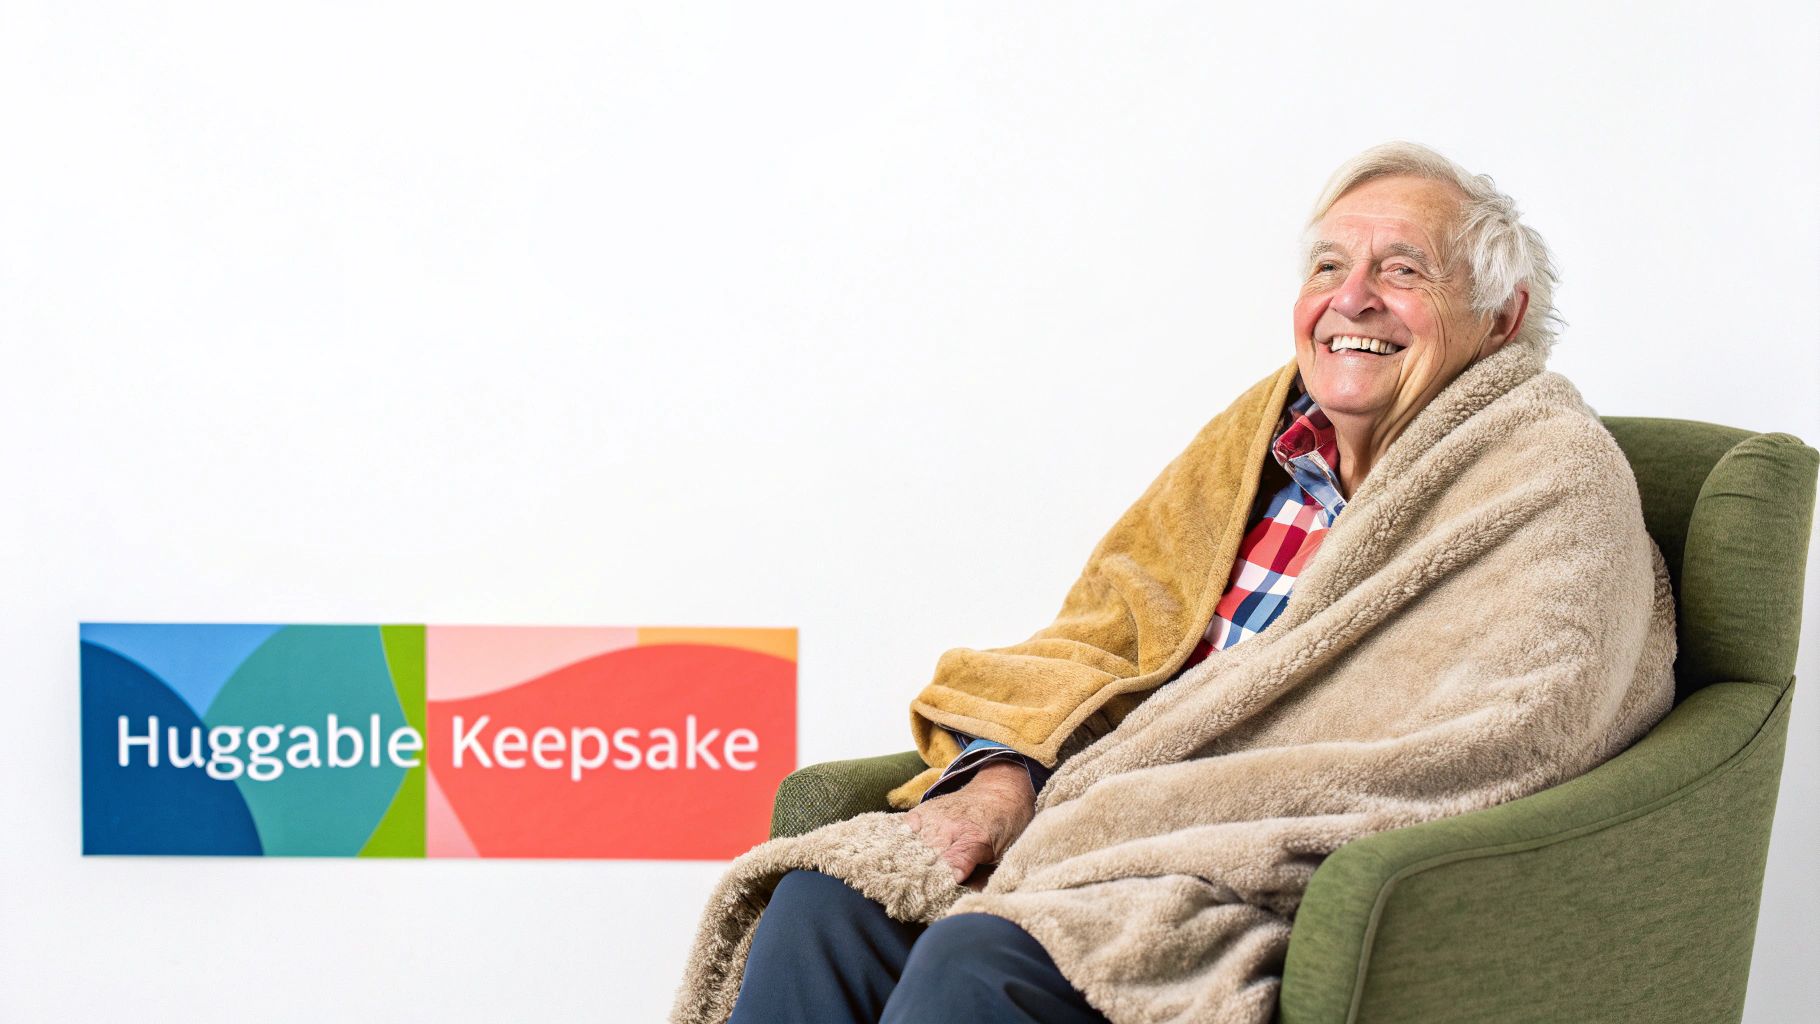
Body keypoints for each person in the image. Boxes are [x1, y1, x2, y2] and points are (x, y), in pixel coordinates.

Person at [687, 141, 1670, 1024]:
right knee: (824, 907)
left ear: (1501, 316)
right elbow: (1107, 638)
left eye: (1401, 270)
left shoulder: (1543, 472)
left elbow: (1516, 730)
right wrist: (1002, 781)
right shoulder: (1259, 441)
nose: (1353, 296)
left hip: (1235, 871)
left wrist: (1147, 827)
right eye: (1329, 266)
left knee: (975, 959)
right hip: (1078, 829)